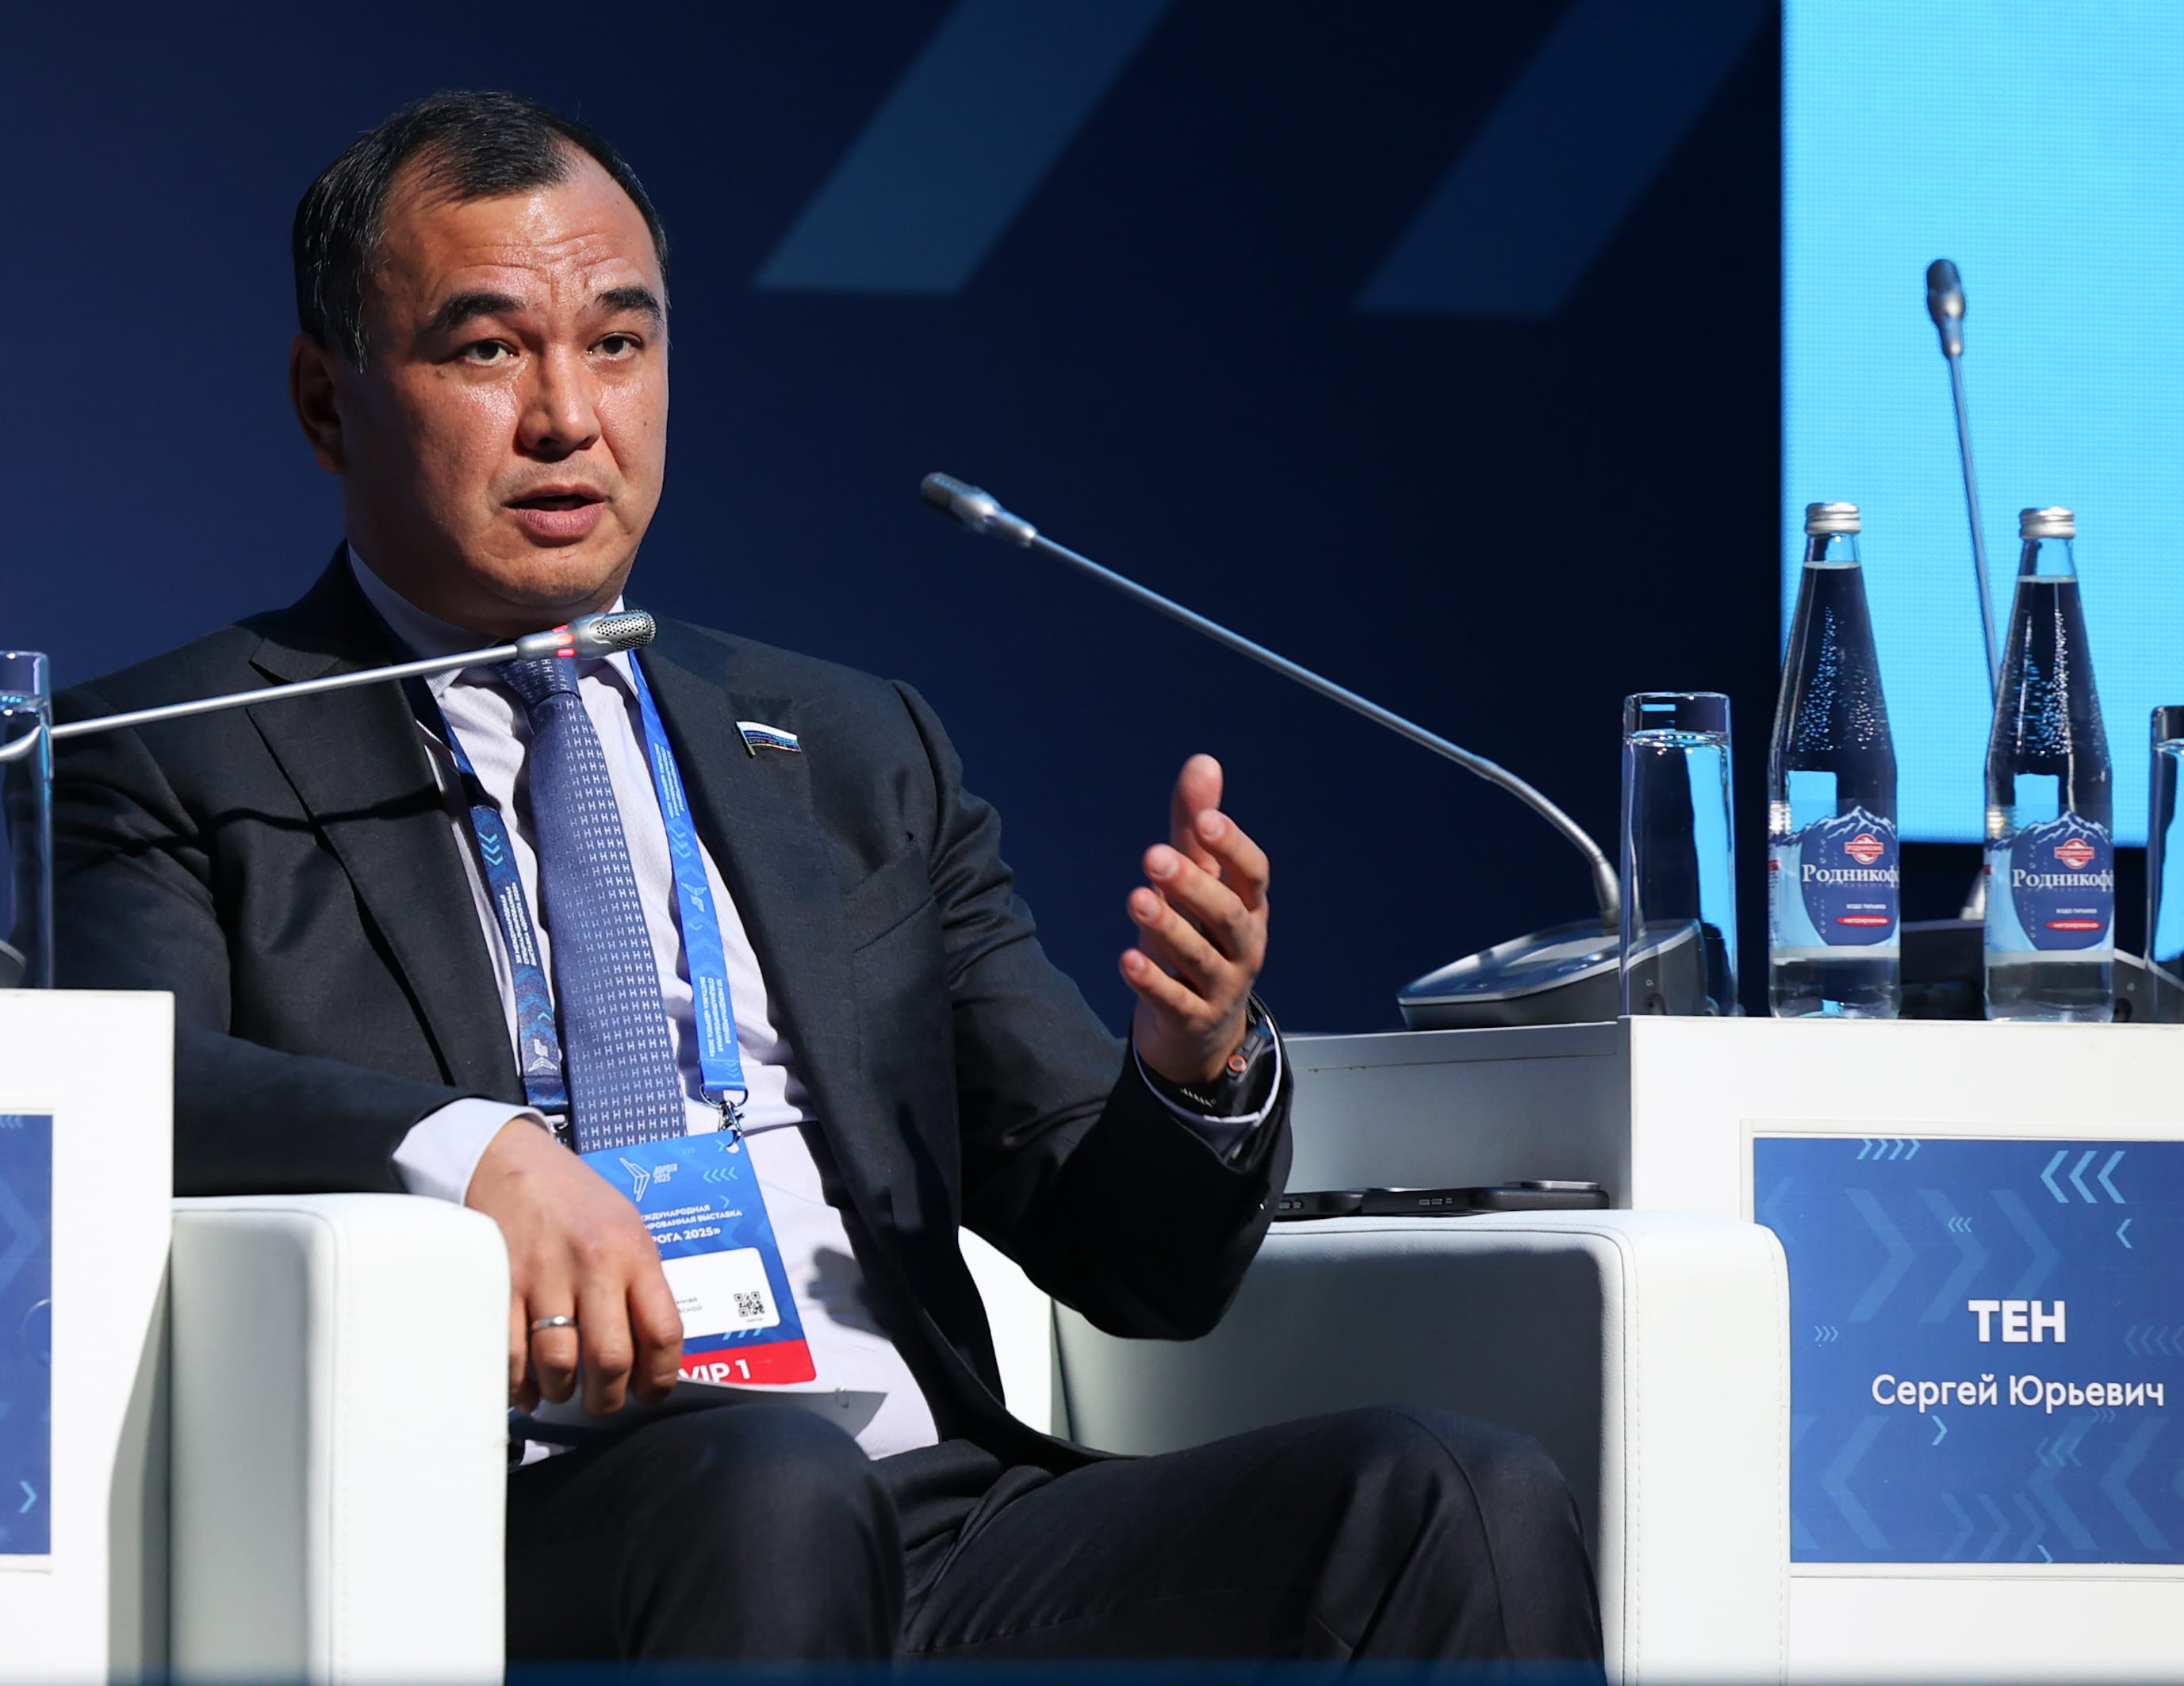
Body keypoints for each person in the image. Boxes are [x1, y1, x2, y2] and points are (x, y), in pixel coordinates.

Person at [53, 91, 1600, 1665]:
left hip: (925, 1515)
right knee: (772, 1486)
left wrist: (1194, 1071)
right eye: (489, 349)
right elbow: (116, 1086)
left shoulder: (854, 749)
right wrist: (472, 1151)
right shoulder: (174, 750)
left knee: (1450, 1496)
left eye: (618, 343)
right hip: (511, 1521)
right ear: (328, 401)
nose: (568, 416)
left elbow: (1133, 1260)